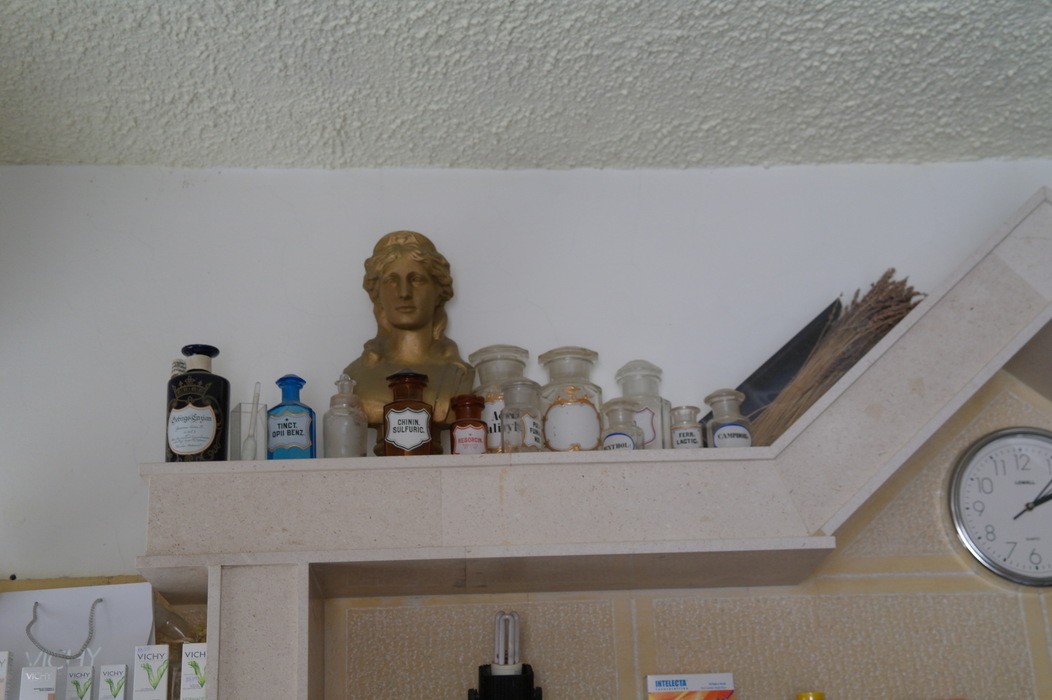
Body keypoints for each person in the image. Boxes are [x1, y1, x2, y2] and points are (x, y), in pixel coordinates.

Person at [344, 231, 475, 434]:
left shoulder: (459, 375)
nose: (404, 293)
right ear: (377, 294)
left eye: (417, 279)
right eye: (391, 280)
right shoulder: (355, 376)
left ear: (438, 291)